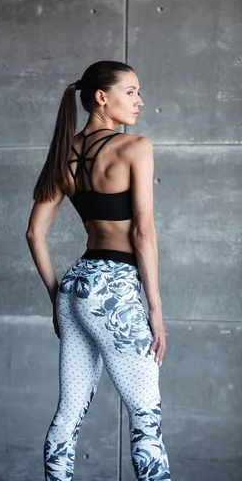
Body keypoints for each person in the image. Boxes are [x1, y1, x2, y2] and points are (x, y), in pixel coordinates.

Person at [25, 61, 171, 480]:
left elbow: (35, 233)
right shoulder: (135, 147)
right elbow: (143, 231)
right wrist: (155, 309)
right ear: (102, 98)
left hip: (76, 285)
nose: (139, 101)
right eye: (131, 91)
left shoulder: (63, 153)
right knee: (146, 415)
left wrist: (58, 298)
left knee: (68, 414)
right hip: (115, 291)